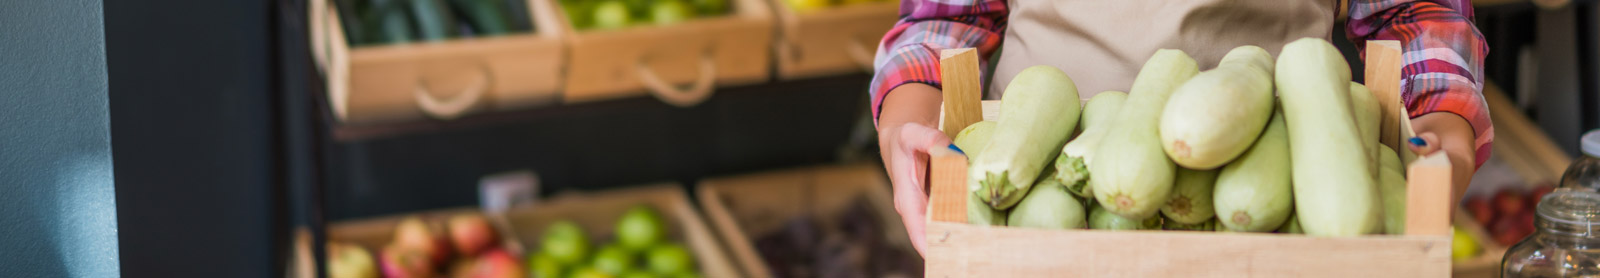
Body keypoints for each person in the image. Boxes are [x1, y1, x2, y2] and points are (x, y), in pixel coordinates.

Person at [873, 0, 1493, 254]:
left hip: (1277, 208)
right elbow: (949, 19)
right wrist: (909, 120)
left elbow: (1414, 13)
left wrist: (1444, 135)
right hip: (1040, 194)